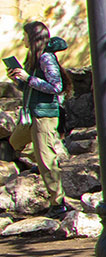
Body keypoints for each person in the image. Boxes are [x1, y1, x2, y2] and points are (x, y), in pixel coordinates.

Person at [7, 21, 71, 216]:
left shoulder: (46, 58)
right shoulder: (32, 58)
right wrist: (18, 79)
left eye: (25, 36)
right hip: (30, 115)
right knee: (14, 142)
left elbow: (56, 87)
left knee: (46, 160)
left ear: (33, 38)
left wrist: (28, 78)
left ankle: (58, 204)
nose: (22, 39)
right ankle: (47, 161)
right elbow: (30, 87)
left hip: (45, 116)